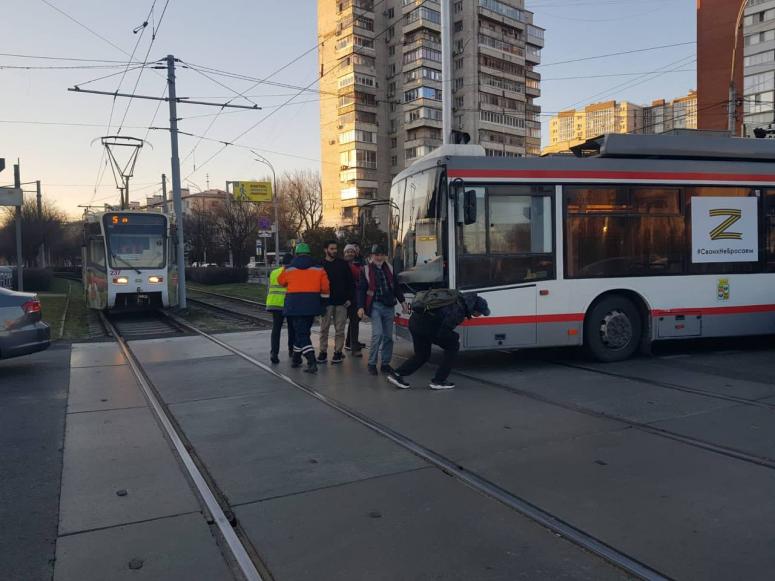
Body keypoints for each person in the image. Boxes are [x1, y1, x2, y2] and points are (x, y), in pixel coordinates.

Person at [387, 293, 490, 390]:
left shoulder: (458, 298)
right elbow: (442, 333)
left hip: (415, 322)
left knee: (422, 355)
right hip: (427, 327)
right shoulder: (459, 311)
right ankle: (439, 381)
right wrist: (456, 337)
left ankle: (397, 374)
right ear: (474, 310)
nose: (480, 315)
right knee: (453, 346)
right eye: (480, 313)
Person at [278, 243, 330, 373]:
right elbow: (325, 288)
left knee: (302, 334)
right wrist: (323, 303)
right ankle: (296, 359)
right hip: (312, 305)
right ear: (309, 253)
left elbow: (281, 281)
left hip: (294, 305)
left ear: (296, 254)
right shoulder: (319, 269)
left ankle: (311, 362)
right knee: (303, 332)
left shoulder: (289, 268)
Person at [357, 244, 408, 376]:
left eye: (381, 255)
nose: (379, 258)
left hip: (389, 306)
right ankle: (372, 363)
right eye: (376, 255)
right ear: (371, 256)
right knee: (377, 334)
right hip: (375, 306)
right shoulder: (366, 270)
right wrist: (360, 307)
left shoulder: (389, 268)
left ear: (385, 256)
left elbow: (396, 286)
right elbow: (361, 289)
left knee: (388, 337)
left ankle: (385, 364)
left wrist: (403, 302)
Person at [318, 240, 354, 365]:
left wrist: (349, 299)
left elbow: (350, 282)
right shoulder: (320, 265)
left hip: (341, 303)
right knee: (324, 329)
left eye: (335, 248)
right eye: (332, 248)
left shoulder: (343, 264)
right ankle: (323, 352)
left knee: (340, 329)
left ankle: (338, 352)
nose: (334, 251)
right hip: (326, 302)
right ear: (325, 250)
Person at [266, 253, 296, 364]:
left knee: (276, 328)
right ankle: (292, 351)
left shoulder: (274, 272)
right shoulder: (291, 272)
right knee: (292, 328)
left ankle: (274, 353)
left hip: (274, 303)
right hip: (288, 304)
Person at [343, 244, 363, 357]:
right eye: (348, 251)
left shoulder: (357, 265)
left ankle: (353, 346)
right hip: (343, 299)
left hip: (354, 298)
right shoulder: (342, 265)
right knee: (340, 326)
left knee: (354, 322)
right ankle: (339, 349)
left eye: (352, 251)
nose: (350, 253)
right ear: (344, 253)